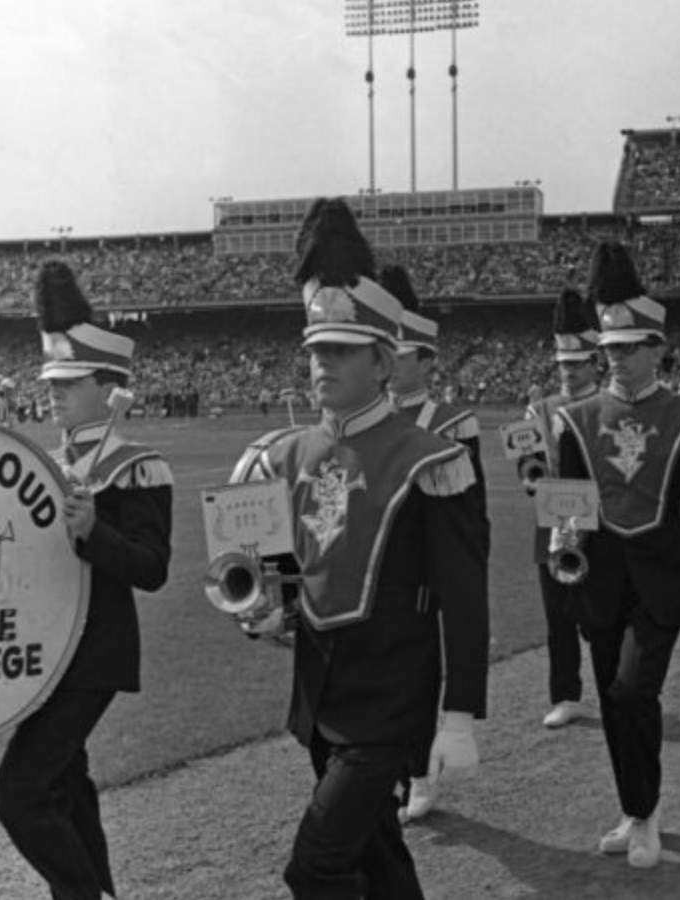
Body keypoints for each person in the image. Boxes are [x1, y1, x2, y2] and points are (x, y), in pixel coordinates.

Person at [231, 198, 489, 900]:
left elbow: (464, 595)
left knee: (313, 866)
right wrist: (265, 610)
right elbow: (288, 574)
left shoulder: (431, 459)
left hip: (389, 704)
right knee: (379, 858)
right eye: (315, 349)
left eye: (340, 350)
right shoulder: (288, 454)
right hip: (319, 698)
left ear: (383, 360)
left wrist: (460, 710)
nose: (321, 364)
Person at [0, 260, 173, 900]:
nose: (53, 392)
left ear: (109, 386)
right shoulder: (50, 462)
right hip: (46, 653)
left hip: (94, 654)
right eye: (51, 380)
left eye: (68, 382)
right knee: (67, 784)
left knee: (17, 794)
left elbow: (152, 568)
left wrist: (96, 531)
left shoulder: (136, 466)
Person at [552, 242, 680, 869]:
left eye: (629, 348)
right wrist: (560, 541)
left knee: (631, 692)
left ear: (657, 347)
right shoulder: (575, 417)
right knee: (611, 699)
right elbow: (566, 502)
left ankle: (647, 812)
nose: (617, 359)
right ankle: (633, 807)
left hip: (662, 581)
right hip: (598, 579)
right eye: (610, 350)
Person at [381, 263, 490, 821]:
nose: (388, 366)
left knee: (418, 682)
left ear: (426, 360)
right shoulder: (363, 420)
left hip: (425, 576)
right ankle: (394, 773)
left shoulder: (452, 422)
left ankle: (420, 774)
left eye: (399, 355)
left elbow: (472, 518)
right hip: (375, 575)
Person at [518, 288, 599, 729]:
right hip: (550, 517)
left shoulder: (606, 404)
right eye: (563, 365)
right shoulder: (539, 407)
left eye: (577, 364)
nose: (568, 372)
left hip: (600, 522)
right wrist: (529, 473)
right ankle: (565, 693)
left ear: (593, 363)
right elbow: (526, 460)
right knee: (556, 617)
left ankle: (611, 682)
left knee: (599, 610)